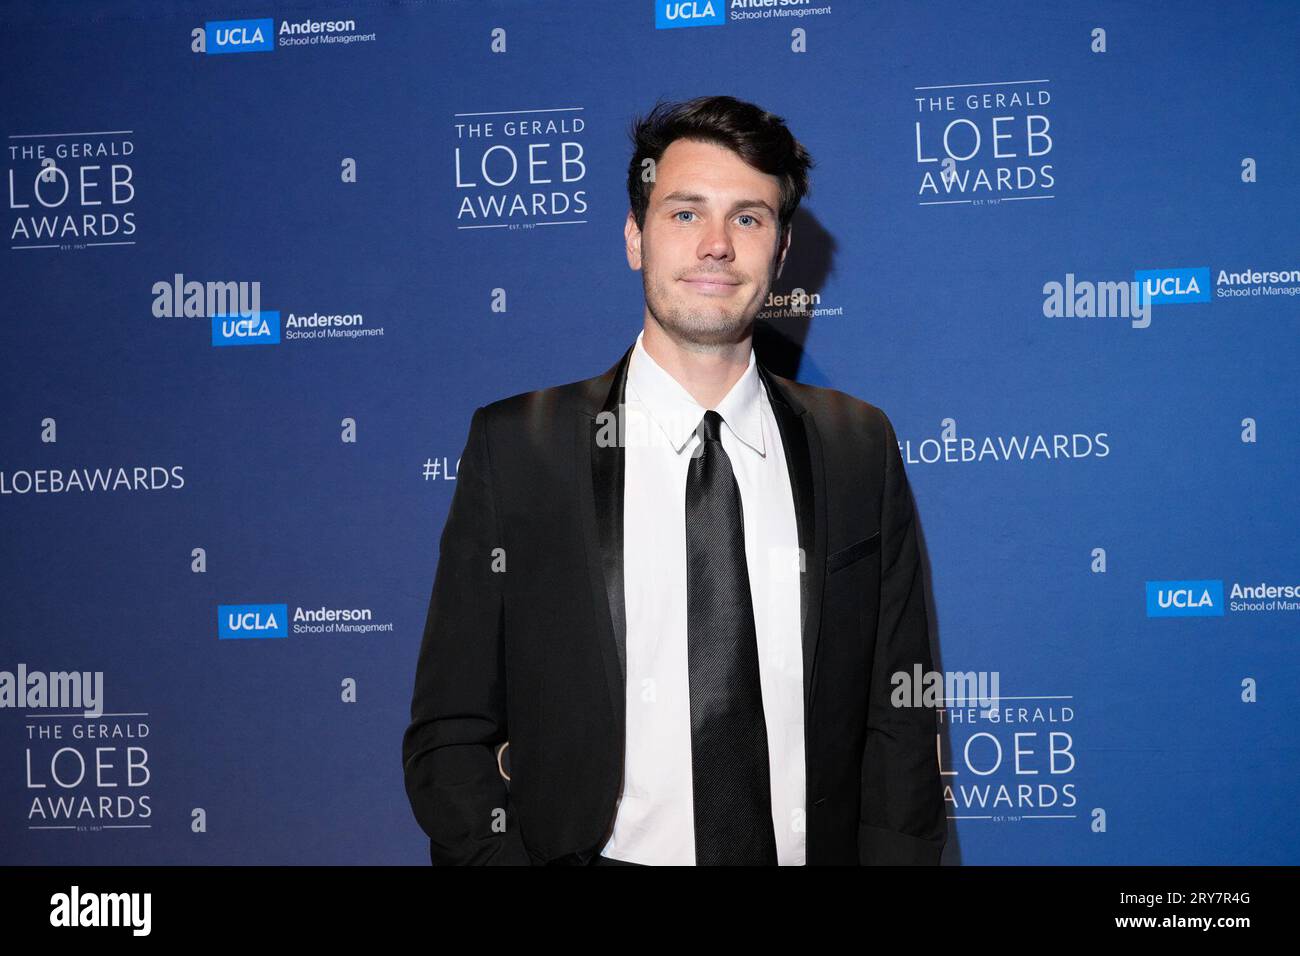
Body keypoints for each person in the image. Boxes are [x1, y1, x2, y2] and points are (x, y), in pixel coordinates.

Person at [401, 95, 946, 866]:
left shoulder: (858, 445)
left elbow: (899, 718)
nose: (717, 246)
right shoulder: (520, 449)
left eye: (748, 218)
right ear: (635, 237)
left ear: (781, 250)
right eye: (685, 214)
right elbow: (450, 730)